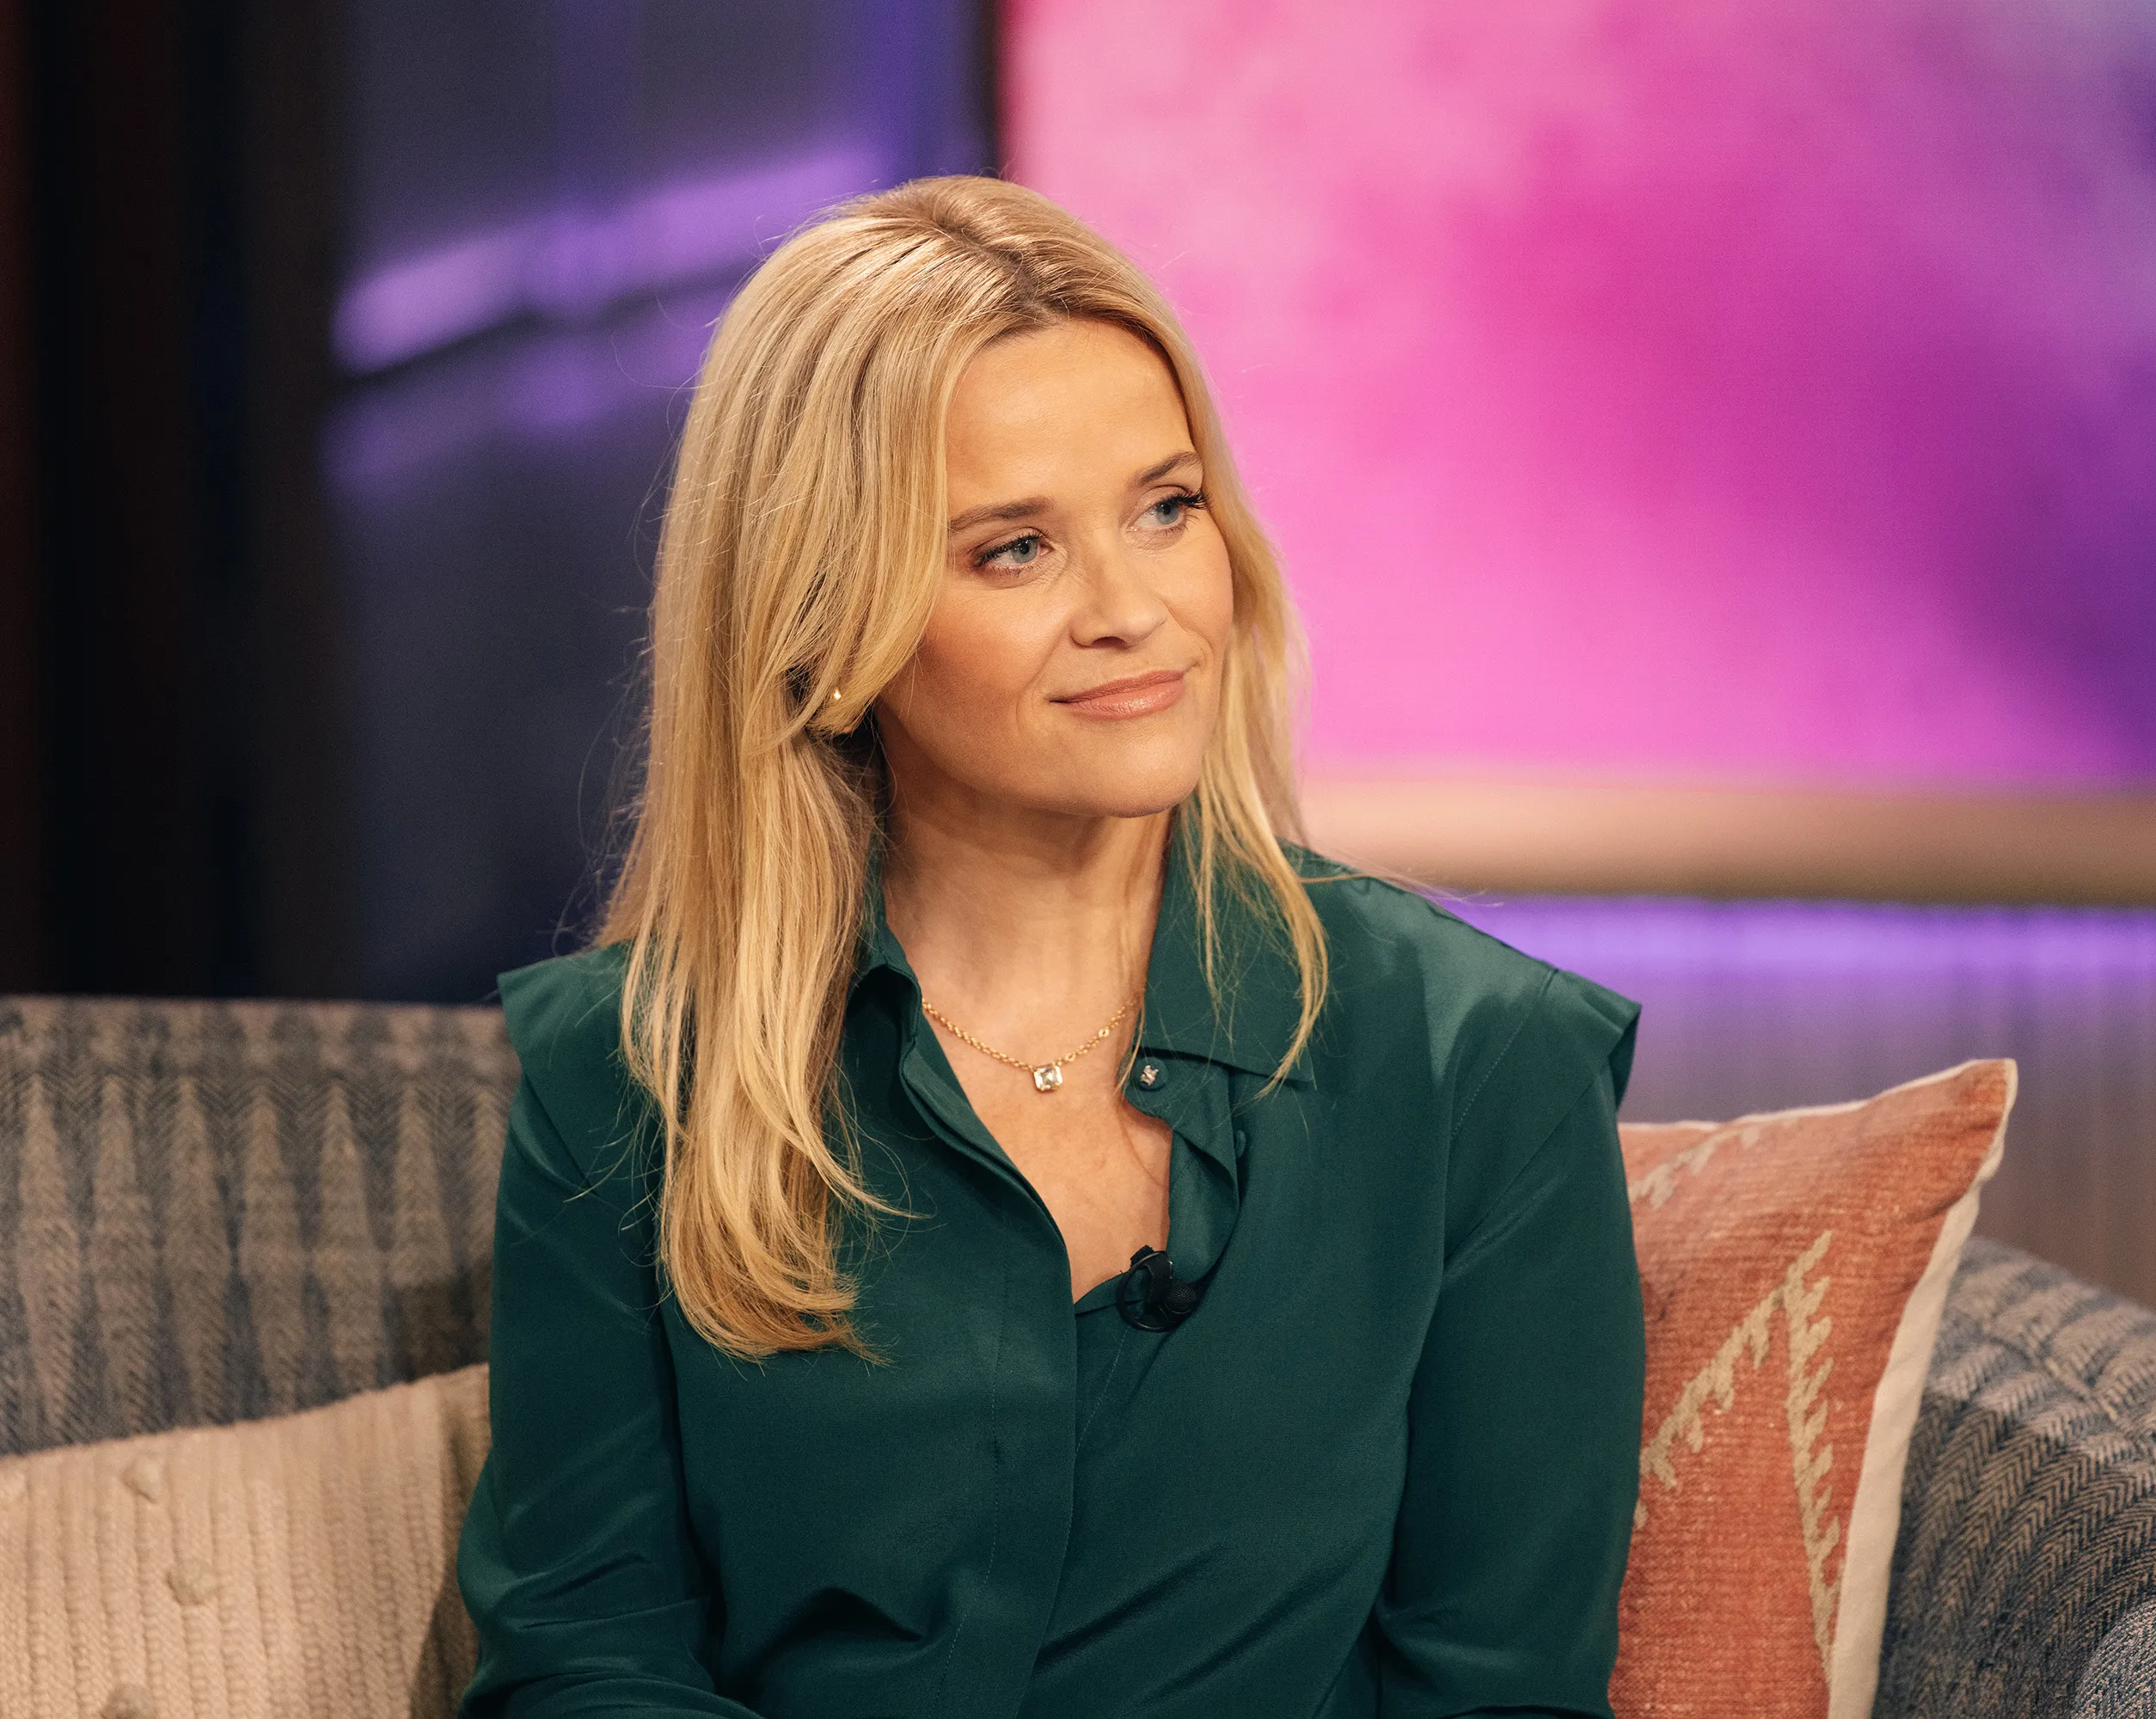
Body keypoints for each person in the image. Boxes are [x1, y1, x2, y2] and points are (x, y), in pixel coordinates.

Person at [453, 174, 1646, 1719]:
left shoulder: (1476, 1060)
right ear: (821, 637)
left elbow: (1502, 1694)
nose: (1133, 610)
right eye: (1014, 551)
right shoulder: (632, 1077)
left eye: (1168, 509)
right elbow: (580, 1660)